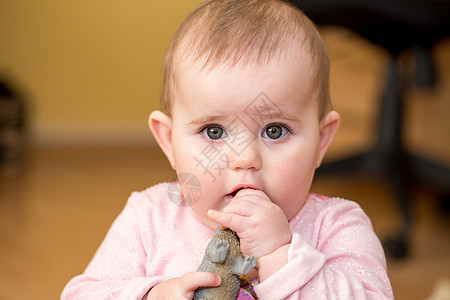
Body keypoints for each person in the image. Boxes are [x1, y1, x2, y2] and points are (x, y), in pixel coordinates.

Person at [61, 0, 393, 299]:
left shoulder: (337, 227)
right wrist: (153, 295)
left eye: (274, 130)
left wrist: (280, 256)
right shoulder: (147, 216)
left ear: (321, 141)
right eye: (214, 131)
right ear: (168, 141)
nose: (245, 158)